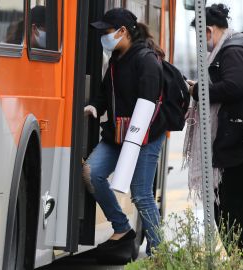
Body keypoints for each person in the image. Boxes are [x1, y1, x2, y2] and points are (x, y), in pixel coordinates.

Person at [84, 8, 167, 258]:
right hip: (118, 132)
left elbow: (150, 103)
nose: (103, 38)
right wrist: (95, 107)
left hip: (147, 135)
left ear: (122, 32)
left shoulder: (147, 60)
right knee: (92, 173)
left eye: (106, 32)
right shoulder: (115, 60)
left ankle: (159, 252)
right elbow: (104, 92)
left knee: (141, 193)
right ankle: (122, 227)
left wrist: (135, 137)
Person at [184, 4, 243, 252]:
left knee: (233, 207)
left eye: (199, 37)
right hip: (235, 137)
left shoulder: (232, 50)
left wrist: (198, 90)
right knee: (232, 206)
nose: (200, 45)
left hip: (233, 141)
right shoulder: (233, 48)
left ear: (208, 31)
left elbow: (234, 86)